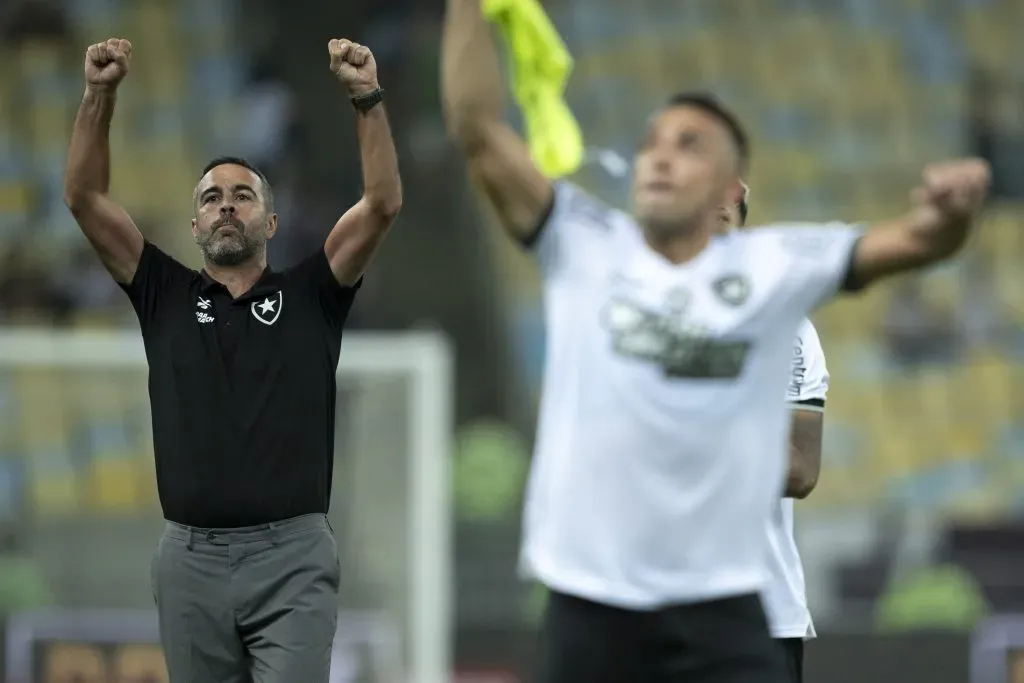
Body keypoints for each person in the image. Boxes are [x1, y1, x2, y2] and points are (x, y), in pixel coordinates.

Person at [440, 1, 990, 681]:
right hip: (596, 603)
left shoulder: (775, 279)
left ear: (731, 185)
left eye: (690, 144)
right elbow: (477, 129)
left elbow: (916, 241)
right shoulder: (584, 245)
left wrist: (954, 217)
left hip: (734, 605)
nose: (662, 157)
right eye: (652, 144)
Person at [62, 37, 401, 683]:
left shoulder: (313, 294)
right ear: (194, 227)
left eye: (243, 195)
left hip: (294, 556)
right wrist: (98, 95)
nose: (225, 204)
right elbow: (83, 196)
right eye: (210, 197)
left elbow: (382, 204)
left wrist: (367, 98)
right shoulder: (161, 293)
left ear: (271, 222)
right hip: (190, 559)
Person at [722, 196, 826, 683]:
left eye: (721, 219)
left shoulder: (787, 329)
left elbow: (799, 471)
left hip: (759, 613)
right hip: (646, 602)